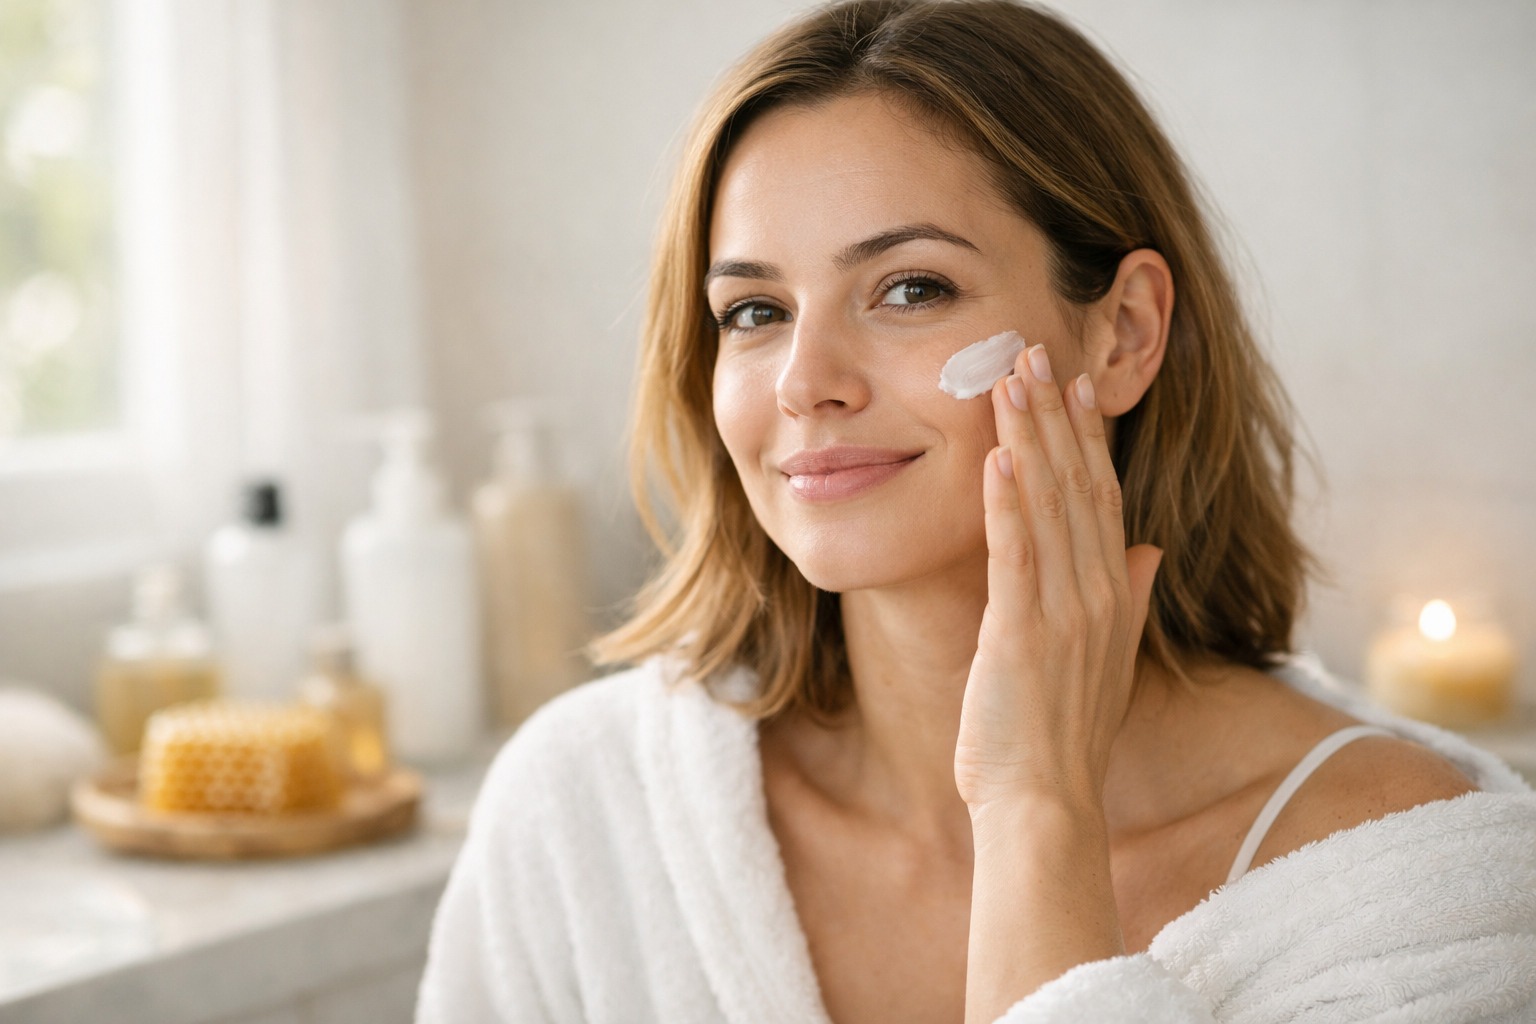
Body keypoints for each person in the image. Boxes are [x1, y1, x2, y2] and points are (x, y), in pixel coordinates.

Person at [415, 2, 1536, 1021]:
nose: (806, 380)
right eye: (753, 310)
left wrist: (1037, 809)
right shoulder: (585, 815)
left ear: (1124, 331)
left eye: (910, 289)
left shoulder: (1407, 870)